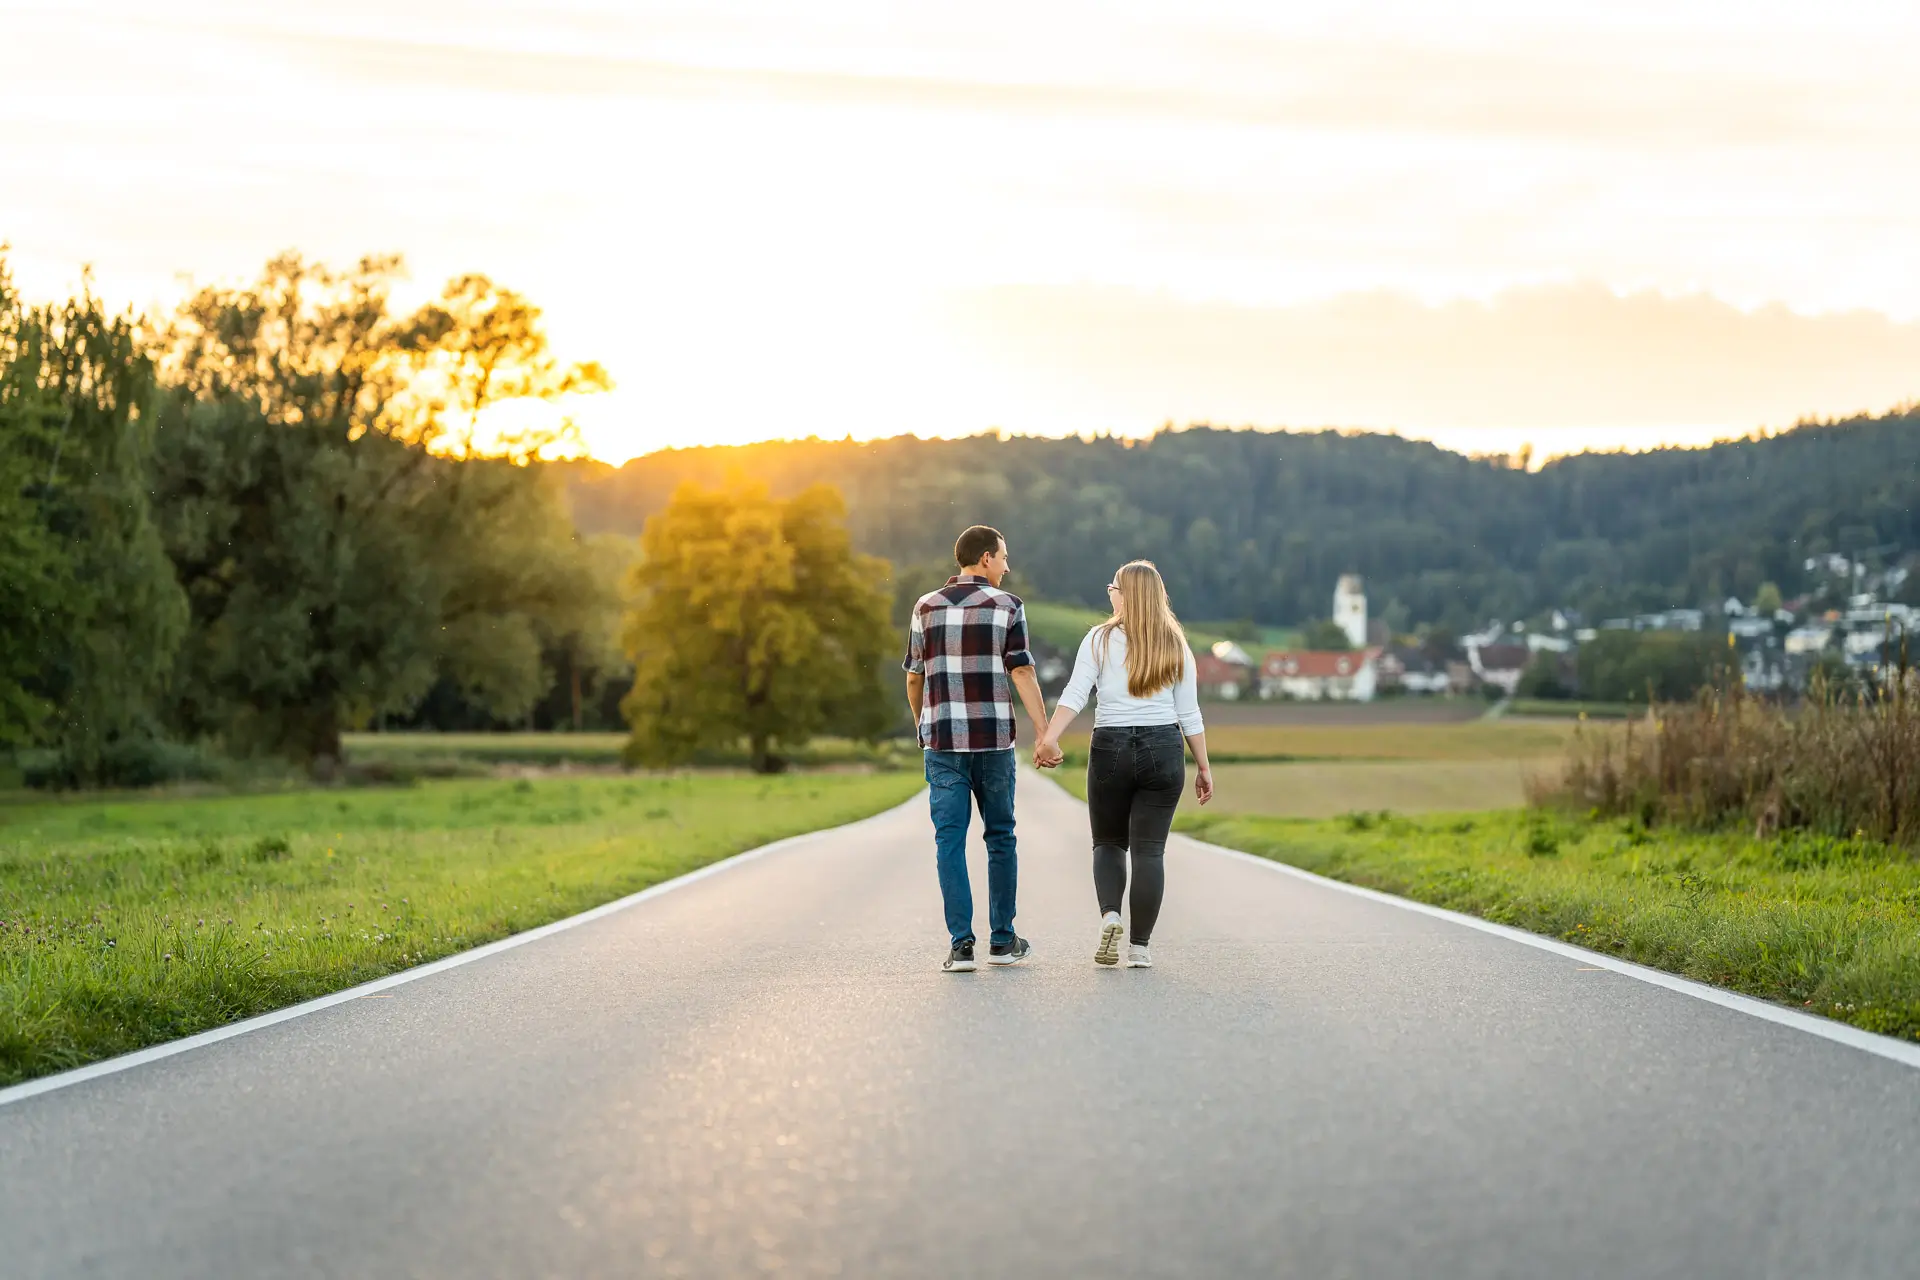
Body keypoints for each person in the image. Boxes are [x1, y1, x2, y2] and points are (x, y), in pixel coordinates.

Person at [1035, 560, 1213, 968]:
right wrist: (1203, 766)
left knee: (1109, 842)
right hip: (1164, 747)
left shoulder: (1099, 639)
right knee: (1150, 851)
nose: (1109, 592)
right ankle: (1140, 948)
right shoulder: (1176, 643)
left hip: (1111, 746)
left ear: (1125, 593)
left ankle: (1110, 915)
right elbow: (1190, 713)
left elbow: (1076, 692)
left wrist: (1050, 738)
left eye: (1113, 586)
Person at [904, 525, 1057, 973]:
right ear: (986, 558)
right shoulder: (1008, 606)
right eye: (1004, 557)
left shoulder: (925, 607)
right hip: (993, 742)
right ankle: (1003, 941)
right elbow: (1023, 673)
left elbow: (915, 676)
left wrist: (923, 725)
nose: (1008, 566)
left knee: (949, 840)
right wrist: (1044, 733)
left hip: (943, 742)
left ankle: (962, 945)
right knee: (1000, 837)